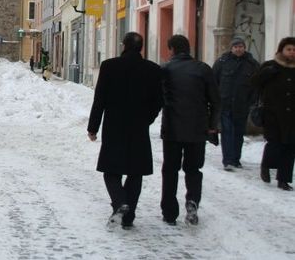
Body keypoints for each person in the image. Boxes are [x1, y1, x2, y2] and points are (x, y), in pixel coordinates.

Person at [88, 32, 163, 230]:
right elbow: (158, 101)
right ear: (141, 47)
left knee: (111, 171)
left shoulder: (109, 66)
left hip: (114, 126)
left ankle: (120, 202)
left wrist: (93, 127)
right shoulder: (153, 70)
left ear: (124, 46)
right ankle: (128, 218)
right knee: (135, 172)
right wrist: (148, 118)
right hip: (139, 128)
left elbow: (100, 99)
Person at [160, 35, 220, 226]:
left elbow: (160, 97)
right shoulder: (203, 69)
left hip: (172, 129)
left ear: (172, 50)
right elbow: (216, 100)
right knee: (193, 169)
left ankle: (169, 213)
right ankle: (192, 202)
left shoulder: (166, 69)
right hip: (197, 129)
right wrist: (211, 125)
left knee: (170, 169)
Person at [250, 37, 295, 191]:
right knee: (274, 144)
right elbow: (254, 82)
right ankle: (266, 165)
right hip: (272, 114)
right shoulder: (270, 66)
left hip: (292, 116)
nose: (292, 53)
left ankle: (283, 180)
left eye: (294, 50)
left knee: (290, 147)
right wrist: (266, 73)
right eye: (289, 49)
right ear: (281, 50)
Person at [212, 37, 259, 171]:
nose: (239, 49)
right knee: (227, 132)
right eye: (236, 47)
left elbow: (257, 85)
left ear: (245, 48)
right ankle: (227, 160)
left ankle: (236, 159)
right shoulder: (222, 62)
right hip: (225, 103)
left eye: (241, 47)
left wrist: (252, 101)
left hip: (242, 104)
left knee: (238, 133)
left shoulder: (252, 64)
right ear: (231, 48)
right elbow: (214, 81)